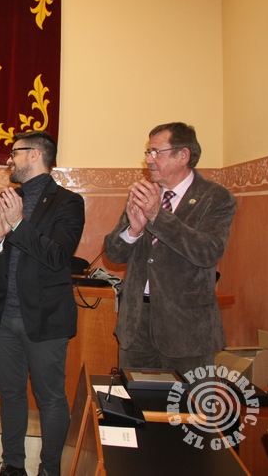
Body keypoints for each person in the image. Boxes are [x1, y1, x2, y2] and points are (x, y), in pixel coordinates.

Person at [0, 131, 85, 476]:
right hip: (5, 318)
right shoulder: (9, 198)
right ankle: (13, 465)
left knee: (50, 398)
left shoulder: (68, 202)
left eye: (14, 153)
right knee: (10, 395)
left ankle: (50, 469)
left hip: (46, 320)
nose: (9, 160)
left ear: (35, 155)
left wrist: (18, 224)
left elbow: (57, 256)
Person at [103, 122, 236, 377]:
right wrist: (133, 231)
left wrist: (157, 216)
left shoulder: (215, 197)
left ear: (183, 155)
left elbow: (208, 252)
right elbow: (113, 253)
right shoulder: (145, 193)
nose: (149, 159)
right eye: (148, 152)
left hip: (187, 330)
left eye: (156, 152)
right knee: (136, 401)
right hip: (137, 325)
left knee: (189, 402)